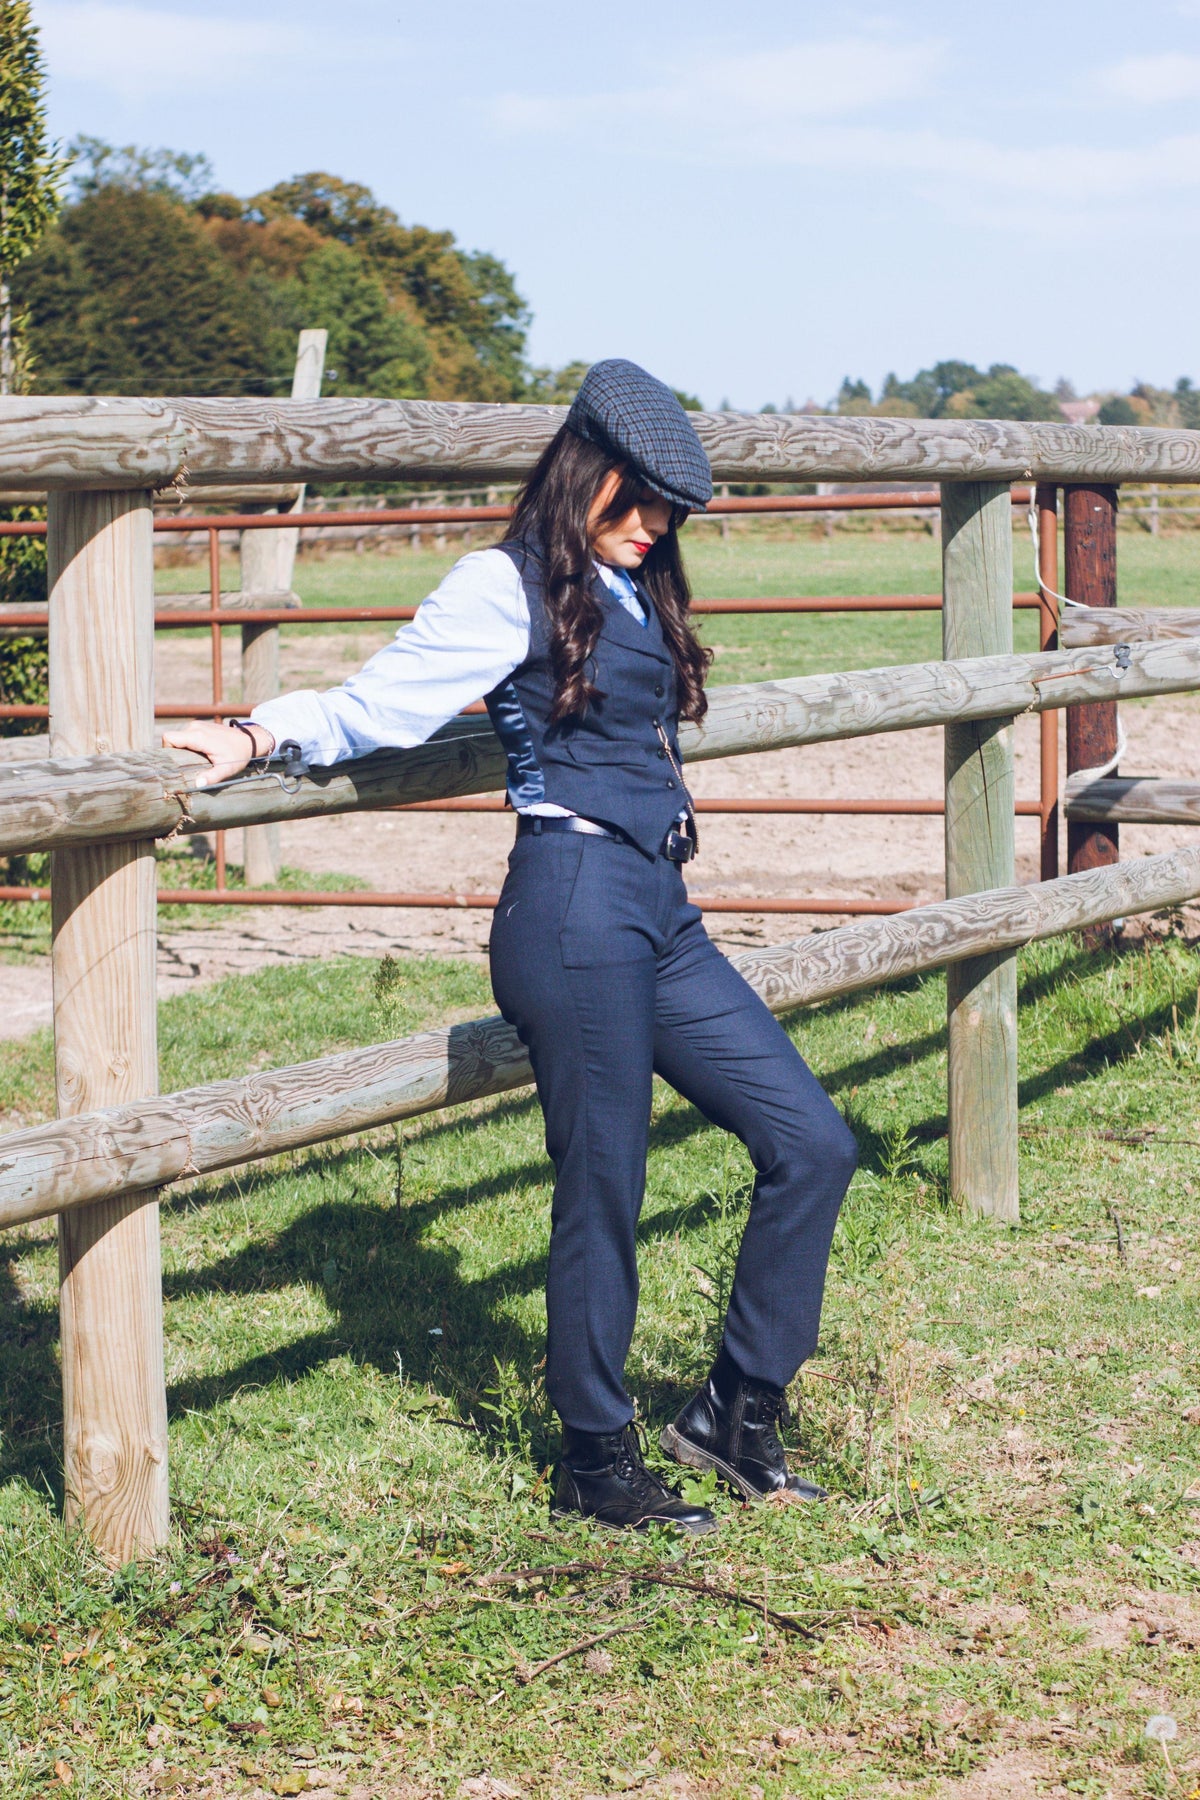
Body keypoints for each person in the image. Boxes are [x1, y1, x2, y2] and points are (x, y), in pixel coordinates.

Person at [165, 359, 858, 1536]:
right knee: (607, 1184)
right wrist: (254, 730)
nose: (652, 527)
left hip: (660, 912)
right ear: (581, 471)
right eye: (632, 499)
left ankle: (734, 1412)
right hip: (572, 908)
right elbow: (380, 706)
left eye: (670, 511)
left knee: (813, 1141)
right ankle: (595, 1456)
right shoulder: (502, 585)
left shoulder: (630, 584)